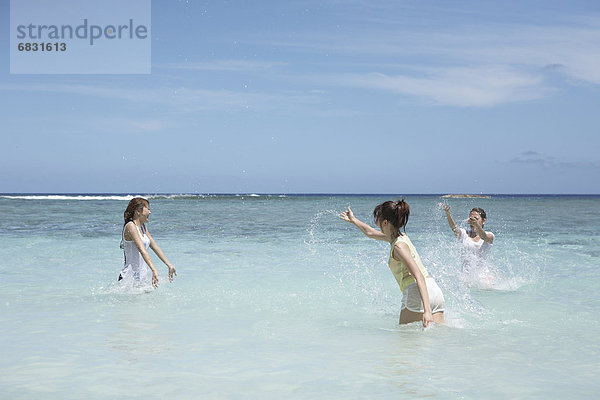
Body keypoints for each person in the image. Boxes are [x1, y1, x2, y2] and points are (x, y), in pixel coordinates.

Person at [340, 200, 445, 327]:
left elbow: (418, 275)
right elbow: (370, 233)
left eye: (377, 219)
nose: (376, 223)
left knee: (405, 342)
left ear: (385, 222)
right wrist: (353, 220)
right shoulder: (401, 238)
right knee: (437, 339)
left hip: (417, 292)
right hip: (434, 291)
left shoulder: (399, 246)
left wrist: (427, 311)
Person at [118, 197, 177, 288]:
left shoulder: (143, 227)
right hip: (128, 279)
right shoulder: (131, 226)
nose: (150, 212)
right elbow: (142, 249)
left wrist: (169, 264)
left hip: (140, 279)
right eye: (148, 209)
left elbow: (155, 247)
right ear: (138, 211)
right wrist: (154, 269)